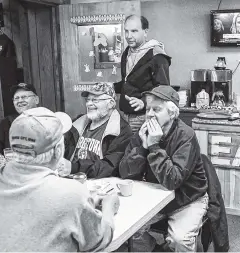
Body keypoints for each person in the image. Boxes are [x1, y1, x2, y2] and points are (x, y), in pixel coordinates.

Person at [0, 107, 120, 252]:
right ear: (58, 150)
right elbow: (98, 241)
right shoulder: (71, 193)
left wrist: (84, 204)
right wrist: (108, 208)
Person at [119, 86, 208, 252]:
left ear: (172, 113)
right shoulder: (142, 131)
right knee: (127, 231)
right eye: (148, 109)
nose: (150, 114)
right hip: (156, 197)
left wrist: (153, 146)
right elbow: (125, 172)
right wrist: (141, 148)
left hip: (187, 198)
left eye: (157, 109)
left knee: (179, 240)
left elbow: (173, 180)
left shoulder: (186, 135)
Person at [114, 15, 171, 132]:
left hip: (144, 117)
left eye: (134, 31)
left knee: (141, 149)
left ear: (145, 32)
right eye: (126, 31)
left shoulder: (157, 56)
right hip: (124, 115)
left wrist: (144, 102)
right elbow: (130, 82)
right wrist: (110, 87)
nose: (129, 36)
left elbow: (164, 90)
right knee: (126, 150)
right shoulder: (127, 52)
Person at [64, 82, 132, 178]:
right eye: (88, 100)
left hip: (99, 185)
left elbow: (110, 167)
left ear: (111, 104)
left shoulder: (121, 130)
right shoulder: (77, 123)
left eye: (95, 100)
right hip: (69, 178)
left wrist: (74, 167)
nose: (89, 104)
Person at [0, 82, 39, 164]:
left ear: (36, 99)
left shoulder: (49, 120)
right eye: (16, 98)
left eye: (24, 97)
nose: (20, 101)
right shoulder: (8, 122)